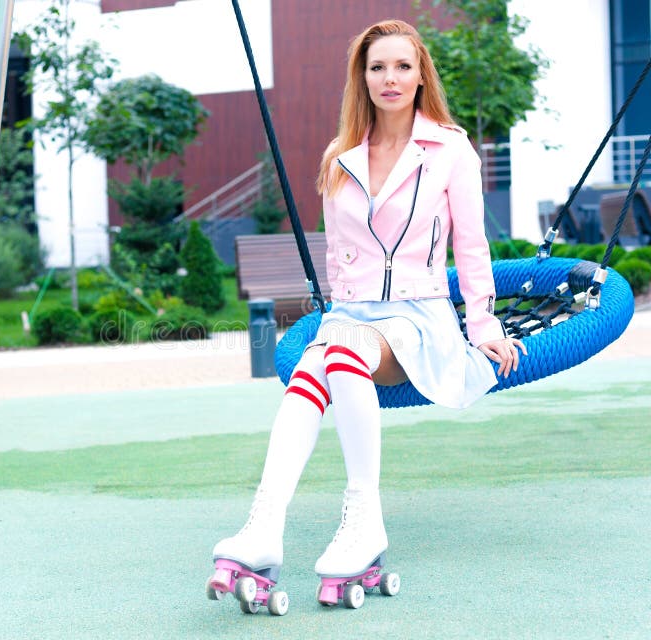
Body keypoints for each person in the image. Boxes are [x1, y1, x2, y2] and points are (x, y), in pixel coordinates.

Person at [210, 18, 527, 600]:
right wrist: (337, 316)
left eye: (403, 66)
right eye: (377, 66)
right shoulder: (342, 156)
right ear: (362, 77)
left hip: (418, 318)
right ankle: (263, 527)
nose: (390, 77)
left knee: (343, 351)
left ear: (421, 75)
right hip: (353, 317)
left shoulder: (451, 150)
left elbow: (472, 246)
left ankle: (364, 519)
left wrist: (482, 325)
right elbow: (339, 254)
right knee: (313, 364)